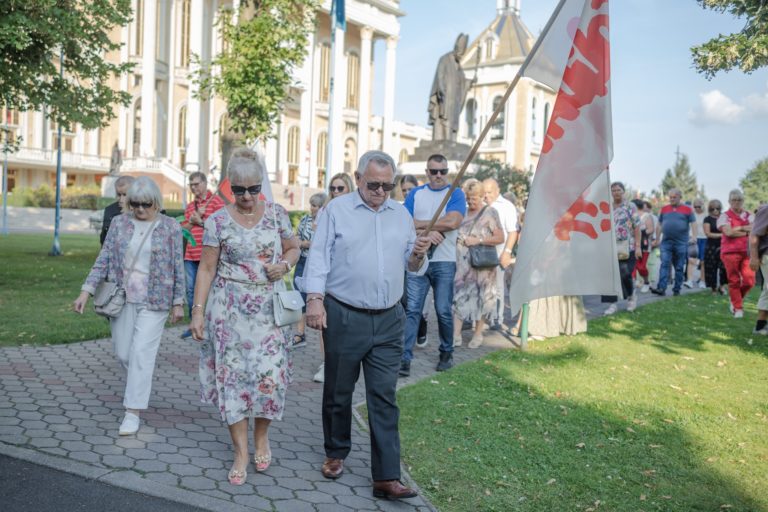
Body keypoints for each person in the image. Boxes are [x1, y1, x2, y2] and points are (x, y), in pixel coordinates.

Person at [302, 150, 430, 500]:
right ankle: (335, 451)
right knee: (339, 391)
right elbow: (318, 256)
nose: (380, 192)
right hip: (344, 313)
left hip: (390, 319)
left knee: (384, 397)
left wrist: (418, 253)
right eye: (373, 184)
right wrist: (314, 300)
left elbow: (412, 265)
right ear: (358, 178)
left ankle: (386, 476)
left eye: (387, 186)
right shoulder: (336, 210)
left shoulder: (400, 215)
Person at [189, 148, 300, 485]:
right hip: (229, 311)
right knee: (232, 380)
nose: (248, 197)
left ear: (261, 184)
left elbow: (293, 247)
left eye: (254, 189)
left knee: (269, 376)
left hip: (268, 310)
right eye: (239, 190)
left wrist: (284, 264)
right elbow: (206, 269)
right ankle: (240, 451)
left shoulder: (278, 214)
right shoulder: (217, 220)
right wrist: (198, 313)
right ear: (230, 187)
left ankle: (261, 438)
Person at [73, 177, 185, 435]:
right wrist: (85, 291)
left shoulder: (169, 227)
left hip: (156, 300)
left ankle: (132, 412)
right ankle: (139, 381)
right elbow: (103, 259)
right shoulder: (118, 223)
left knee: (140, 354)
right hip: (121, 298)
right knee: (125, 353)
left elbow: (177, 265)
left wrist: (178, 302)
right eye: (135, 204)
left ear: (155, 202)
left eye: (146, 204)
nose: (140, 209)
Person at [400, 154, 466, 376]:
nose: (438, 176)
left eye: (443, 171)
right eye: (434, 171)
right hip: (418, 258)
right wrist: (430, 233)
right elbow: (404, 224)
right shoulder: (417, 193)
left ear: (447, 172)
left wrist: (421, 226)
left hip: (444, 261)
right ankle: (404, 358)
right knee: (412, 310)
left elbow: (454, 221)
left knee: (443, 310)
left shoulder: (455, 193)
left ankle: (446, 352)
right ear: (426, 172)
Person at [311, 173, 354, 383]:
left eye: (340, 188)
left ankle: (342, 360)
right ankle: (327, 361)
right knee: (324, 320)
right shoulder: (324, 211)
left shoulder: (354, 212)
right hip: (326, 272)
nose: (335, 192)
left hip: (346, 274)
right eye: (333, 188)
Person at [453, 179, 504, 347]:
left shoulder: (491, 212)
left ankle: (478, 334)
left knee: (483, 299)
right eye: (468, 198)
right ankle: (456, 335)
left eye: (474, 198)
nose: (470, 201)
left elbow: (500, 237)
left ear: (482, 196)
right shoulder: (464, 214)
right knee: (459, 297)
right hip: (464, 266)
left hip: (483, 266)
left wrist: (479, 240)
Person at [180, 172, 225, 338]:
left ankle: (211, 323)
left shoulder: (217, 202)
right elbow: (184, 231)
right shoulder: (191, 207)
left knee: (210, 290)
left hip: (208, 256)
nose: (194, 188)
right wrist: (193, 221)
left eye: (197, 184)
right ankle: (194, 324)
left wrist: (202, 222)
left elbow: (222, 228)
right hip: (190, 254)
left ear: (205, 184)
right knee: (191, 291)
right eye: (191, 185)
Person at [482, 178, 519, 328]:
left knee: (498, 287)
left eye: (489, 192)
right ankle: (480, 318)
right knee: (482, 287)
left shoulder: (507, 206)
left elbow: (513, 231)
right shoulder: (482, 204)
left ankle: (497, 319)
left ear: (497, 191)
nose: (486, 196)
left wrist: (507, 252)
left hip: (499, 251)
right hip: (481, 252)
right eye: (483, 192)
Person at [292, 192, 327, 349]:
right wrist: (303, 243)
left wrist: (307, 244)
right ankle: (300, 334)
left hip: (315, 264)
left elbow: (322, 243)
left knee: (314, 298)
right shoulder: (305, 219)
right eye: (311, 205)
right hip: (302, 261)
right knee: (300, 298)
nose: (312, 208)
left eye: (315, 205)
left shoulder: (324, 221)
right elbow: (296, 238)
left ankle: (322, 335)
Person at [602, 182, 641, 314]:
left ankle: (631, 296)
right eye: (613, 190)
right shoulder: (607, 207)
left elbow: (637, 227)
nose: (616, 192)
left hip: (626, 245)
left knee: (625, 273)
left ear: (623, 191)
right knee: (609, 275)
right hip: (609, 246)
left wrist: (638, 246)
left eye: (618, 190)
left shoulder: (630, 206)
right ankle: (612, 304)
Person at [399, 174, 429, 347]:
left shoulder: (422, 207)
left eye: (410, 189)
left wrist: (420, 227)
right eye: (404, 190)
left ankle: (421, 327)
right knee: (405, 300)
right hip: (404, 260)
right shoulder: (400, 210)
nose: (407, 193)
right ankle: (407, 336)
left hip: (425, 260)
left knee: (417, 303)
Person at [428, 34, 474, 141]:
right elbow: (439, 76)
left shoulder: (458, 66)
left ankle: (451, 141)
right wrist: (442, 90)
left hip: (455, 101)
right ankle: (444, 141)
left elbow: (462, 81)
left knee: (453, 123)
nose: (461, 56)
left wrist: (469, 83)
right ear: (456, 48)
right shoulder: (444, 60)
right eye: (460, 53)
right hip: (446, 98)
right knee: (445, 120)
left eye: (463, 54)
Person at [652, 188, 697, 296]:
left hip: (681, 242)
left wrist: (694, 236)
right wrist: (657, 238)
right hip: (666, 242)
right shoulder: (664, 209)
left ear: (680, 197)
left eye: (674, 197)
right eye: (670, 197)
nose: (672, 199)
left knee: (679, 266)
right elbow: (659, 224)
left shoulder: (687, 209)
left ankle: (676, 289)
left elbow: (694, 223)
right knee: (664, 264)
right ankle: (661, 288)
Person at [718, 189, 754, 318]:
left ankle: (735, 300)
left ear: (743, 201)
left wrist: (737, 228)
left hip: (747, 251)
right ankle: (738, 308)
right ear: (729, 201)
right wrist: (745, 230)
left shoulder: (749, 215)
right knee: (734, 280)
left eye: (739, 200)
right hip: (730, 252)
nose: (737, 202)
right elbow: (728, 233)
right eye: (734, 200)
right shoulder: (724, 216)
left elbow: (754, 229)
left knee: (749, 281)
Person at [749, 204, 768, 334]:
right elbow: (754, 235)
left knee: (767, 290)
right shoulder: (766, 209)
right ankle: (760, 326)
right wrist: (754, 257)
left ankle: (760, 326)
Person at [100, 175, 135, 245]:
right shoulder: (110, 210)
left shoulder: (144, 210)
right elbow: (104, 239)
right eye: (119, 195)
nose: (121, 199)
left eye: (125, 195)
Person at [702, 199, 728, 295]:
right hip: (711, 246)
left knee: (724, 267)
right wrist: (723, 235)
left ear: (720, 208)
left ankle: (722, 287)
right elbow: (708, 233)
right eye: (713, 208)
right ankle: (713, 288)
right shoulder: (707, 219)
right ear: (710, 209)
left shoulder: (724, 218)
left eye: (717, 208)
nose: (715, 210)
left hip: (724, 246)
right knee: (711, 268)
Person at [631, 199, 654, 293]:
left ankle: (646, 282)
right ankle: (632, 284)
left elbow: (651, 229)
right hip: (632, 244)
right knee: (632, 265)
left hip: (643, 245)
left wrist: (640, 233)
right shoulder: (631, 216)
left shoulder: (646, 216)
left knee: (641, 266)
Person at [689, 198, 708, 289]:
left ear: (703, 205)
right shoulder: (692, 215)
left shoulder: (706, 215)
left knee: (703, 261)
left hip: (704, 238)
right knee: (691, 260)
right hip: (694, 239)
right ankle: (689, 280)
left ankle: (702, 280)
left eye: (698, 206)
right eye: (695, 206)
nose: (697, 208)